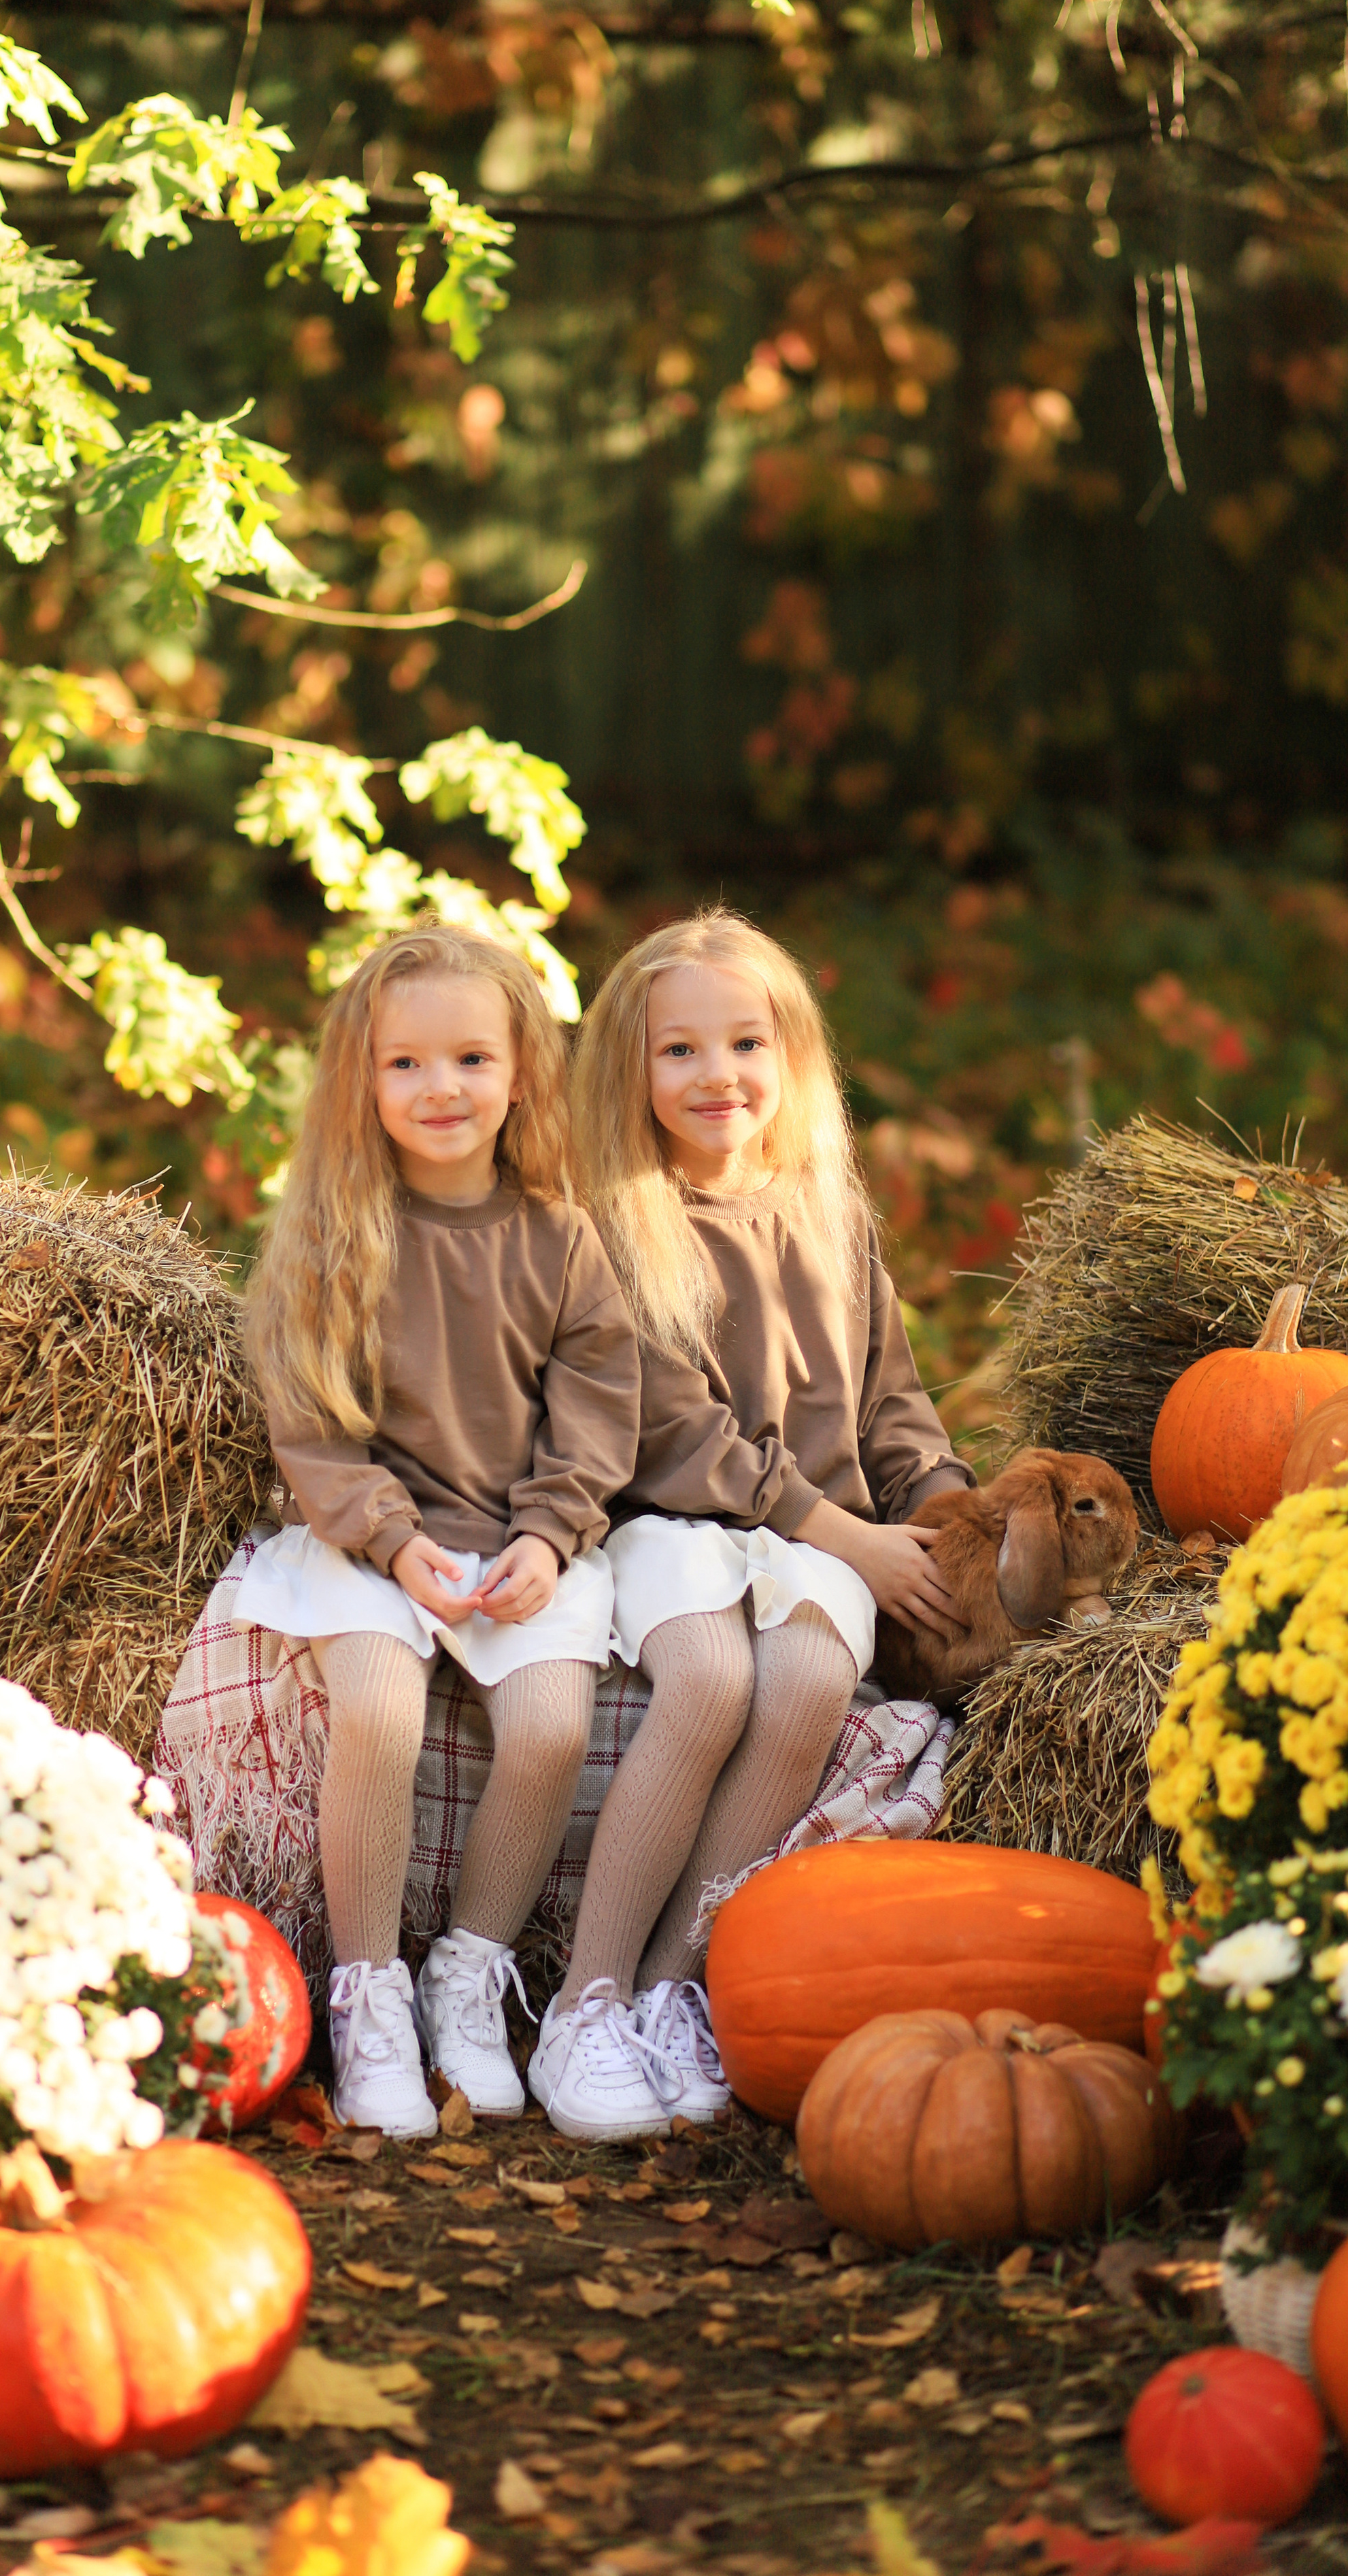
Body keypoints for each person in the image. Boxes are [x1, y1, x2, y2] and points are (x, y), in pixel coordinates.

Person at [527, 909, 973, 2142]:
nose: (717, 1074)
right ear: (632, 1069)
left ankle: (673, 1984)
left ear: (793, 1059)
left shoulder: (828, 1213)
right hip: (677, 1519)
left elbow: (893, 1402)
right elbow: (669, 1433)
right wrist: (851, 1538)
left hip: (821, 1539)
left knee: (815, 1675)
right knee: (713, 1675)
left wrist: (947, 1515)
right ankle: (586, 2000)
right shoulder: (613, 1222)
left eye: (745, 1042)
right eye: (680, 1052)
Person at [237, 925, 641, 2139]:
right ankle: (369, 1996)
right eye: (406, 1065)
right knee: (375, 1707)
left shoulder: (560, 1238)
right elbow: (309, 1423)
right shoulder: (332, 1231)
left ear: (522, 1073)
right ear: (363, 1079)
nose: (441, 1089)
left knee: (555, 1724)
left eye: (471, 1058)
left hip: (520, 1538)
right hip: (372, 1539)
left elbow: (596, 1405)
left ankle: (470, 1971)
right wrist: (390, 1537)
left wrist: (554, 1535)